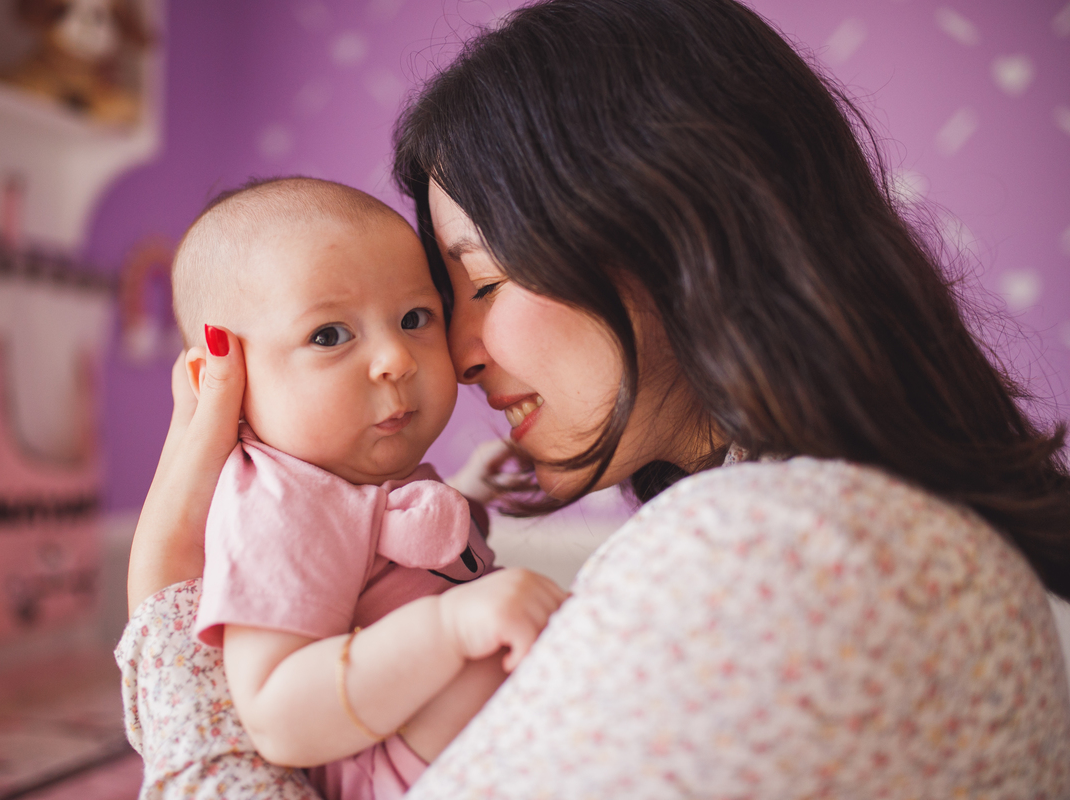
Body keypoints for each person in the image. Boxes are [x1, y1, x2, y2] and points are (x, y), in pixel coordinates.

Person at [121, 0, 1070, 796]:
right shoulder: (846, 531)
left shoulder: (781, 557)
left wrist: (165, 594)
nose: (451, 354)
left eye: (476, 288)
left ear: (671, 232)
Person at [133, 176, 565, 800]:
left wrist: (465, 502)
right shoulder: (281, 503)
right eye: (330, 335)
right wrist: (449, 629)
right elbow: (279, 715)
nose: (397, 357)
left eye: (415, 318)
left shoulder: (358, 484)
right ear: (227, 377)